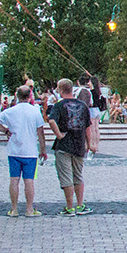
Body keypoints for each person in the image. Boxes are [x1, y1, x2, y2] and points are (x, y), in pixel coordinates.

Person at [0, 84, 47, 217]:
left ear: (17, 96)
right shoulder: (35, 111)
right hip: (30, 151)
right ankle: (29, 209)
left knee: (14, 180)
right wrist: (43, 149)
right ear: (30, 96)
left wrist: (6, 131)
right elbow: (40, 132)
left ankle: (14, 209)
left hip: (14, 150)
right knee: (29, 180)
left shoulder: (10, 111)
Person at [48, 78, 94, 215]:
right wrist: (89, 143)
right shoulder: (83, 105)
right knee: (78, 175)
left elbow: (51, 121)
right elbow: (88, 126)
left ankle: (69, 207)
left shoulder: (59, 105)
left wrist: (59, 135)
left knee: (66, 176)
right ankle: (80, 205)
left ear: (61, 90)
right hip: (79, 144)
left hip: (64, 145)